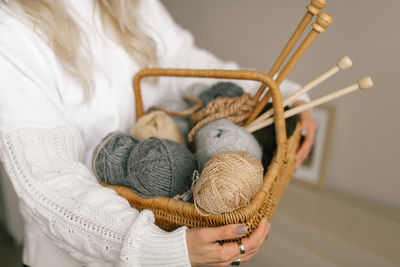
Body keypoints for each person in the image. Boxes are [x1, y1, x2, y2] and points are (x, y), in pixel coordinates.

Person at [0, 0, 316, 266]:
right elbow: (49, 180)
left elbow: (186, 64)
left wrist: (282, 96)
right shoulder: (10, 28)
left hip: (181, 225)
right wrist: (157, 246)